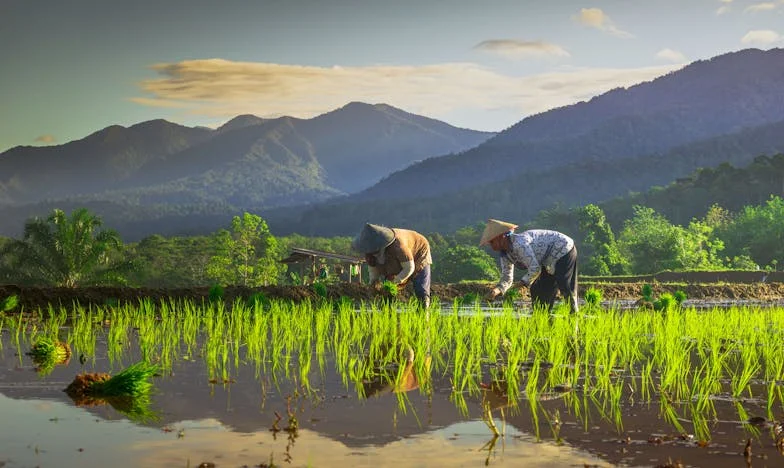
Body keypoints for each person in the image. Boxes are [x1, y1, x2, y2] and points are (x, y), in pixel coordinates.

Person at [480, 219, 579, 313]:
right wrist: (496, 291)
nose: (491, 245)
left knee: (564, 282)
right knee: (538, 289)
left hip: (563, 248)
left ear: (502, 237)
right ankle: (541, 316)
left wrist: (522, 283)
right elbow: (507, 278)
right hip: (546, 260)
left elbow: (535, 269)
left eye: (492, 241)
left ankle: (574, 312)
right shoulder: (505, 254)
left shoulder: (520, 244)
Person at [352, 223, 432, 308]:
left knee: (421, 289)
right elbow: (374, 275)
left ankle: (424, 311)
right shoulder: (370, 256)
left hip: (418, 252)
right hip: (394, 263)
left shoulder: (398, 245)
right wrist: (375, 287)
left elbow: (409, 268)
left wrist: (396, 280)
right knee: (387, 290)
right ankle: (387, 311)